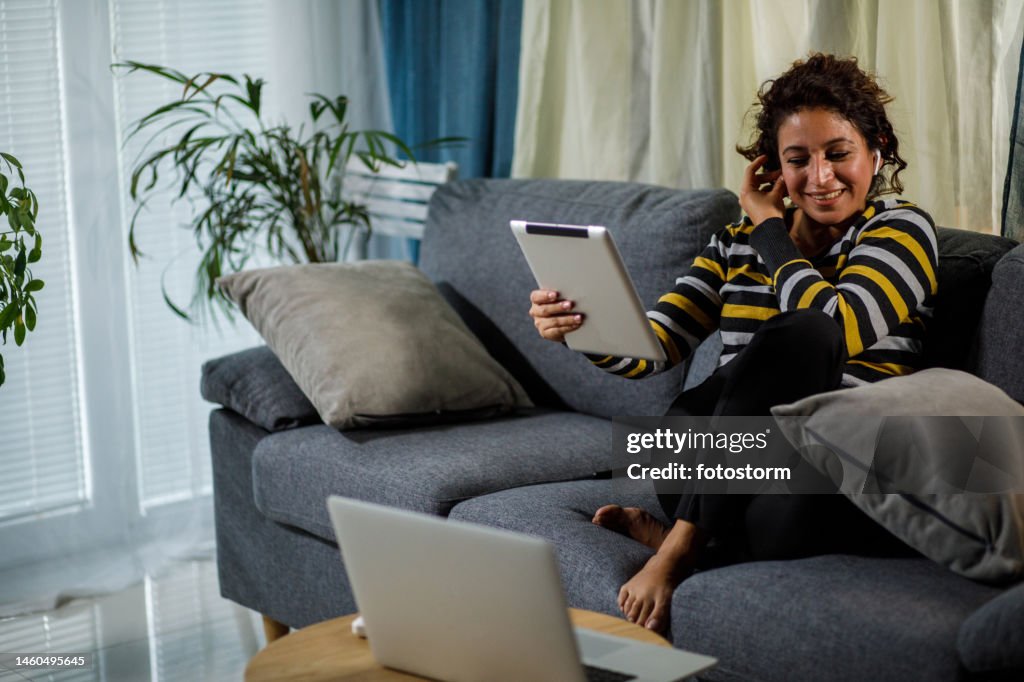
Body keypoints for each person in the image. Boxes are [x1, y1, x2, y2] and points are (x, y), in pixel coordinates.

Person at [528, 54, 938, 633]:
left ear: (876, 149)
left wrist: (771, 229)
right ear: (774, 165)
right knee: (669, 431)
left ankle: (680, 547)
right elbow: (658, 347)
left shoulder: (899, 229)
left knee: (805, 332)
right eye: (799, 159)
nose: (820, 177)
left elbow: (839, 327)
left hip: (830, 465)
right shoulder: (734, 244)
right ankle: (701, 531)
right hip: (729, 470)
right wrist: (582, 325)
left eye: (838, 154)